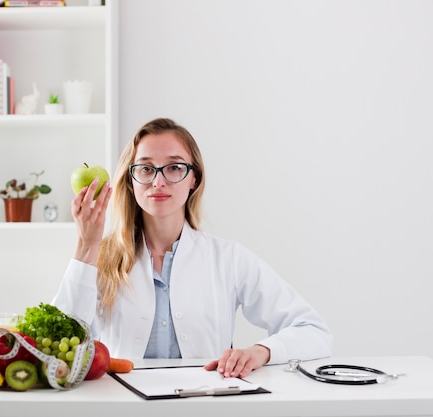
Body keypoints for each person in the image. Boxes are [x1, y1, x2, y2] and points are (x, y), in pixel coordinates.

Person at [52, 117, 332, 378]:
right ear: (131, 179)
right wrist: (86, 245)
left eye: (174, 167)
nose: (158, 181)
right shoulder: (100, 257)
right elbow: (57, 345)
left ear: (193, 179)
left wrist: (261, 352)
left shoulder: (229, 259)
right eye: (146, 168)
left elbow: (314, 331)